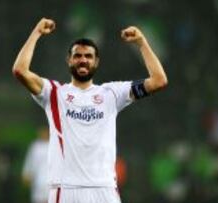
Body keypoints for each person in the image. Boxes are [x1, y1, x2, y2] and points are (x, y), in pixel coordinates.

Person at [12, 17, 168, 203]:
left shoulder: (112, 93)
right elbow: (20, 70)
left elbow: (159, 80)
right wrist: (36, 32)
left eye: (88, 56)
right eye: (77, 56)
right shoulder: (53, 93)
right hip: (66, 189)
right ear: (69, 60)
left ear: (96, 62)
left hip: (104, 189)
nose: (83, 60)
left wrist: (142, 43)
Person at [22, 127, 50, 203]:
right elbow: (29, 162)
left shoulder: (55, 144)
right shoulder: (35, 146)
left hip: (52, 184)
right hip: (38, 183)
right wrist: (26, 174)